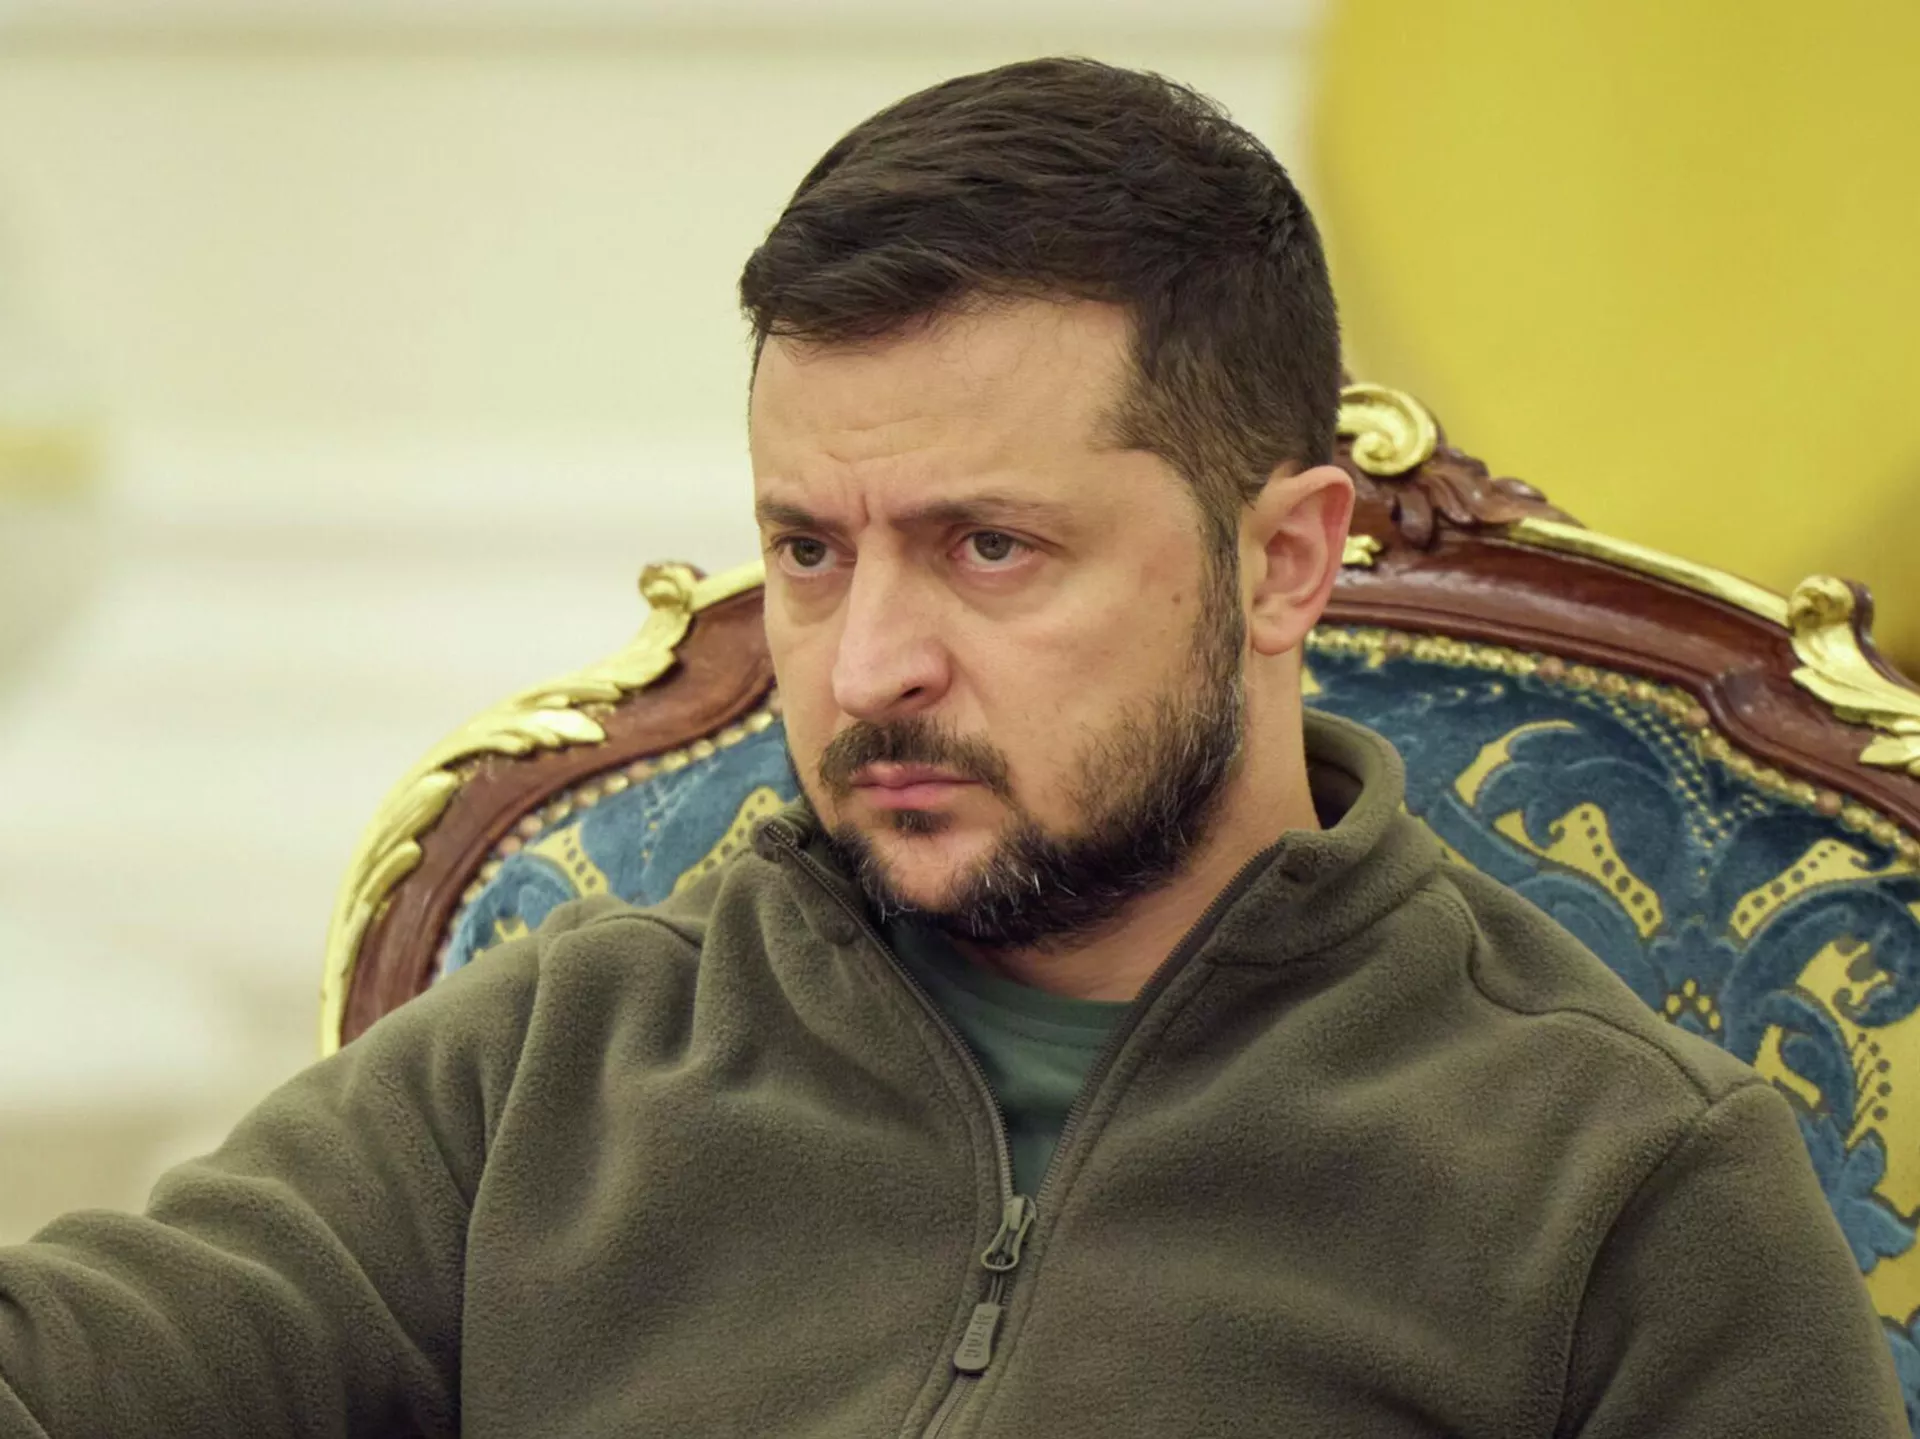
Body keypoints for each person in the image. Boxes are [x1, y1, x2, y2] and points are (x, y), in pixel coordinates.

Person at [0, 56, 1904, 1439]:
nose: (868, 666)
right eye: (809, 551)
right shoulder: (553, 1063)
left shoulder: (1624, 1187)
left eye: (991, 548)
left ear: (1284, 561)